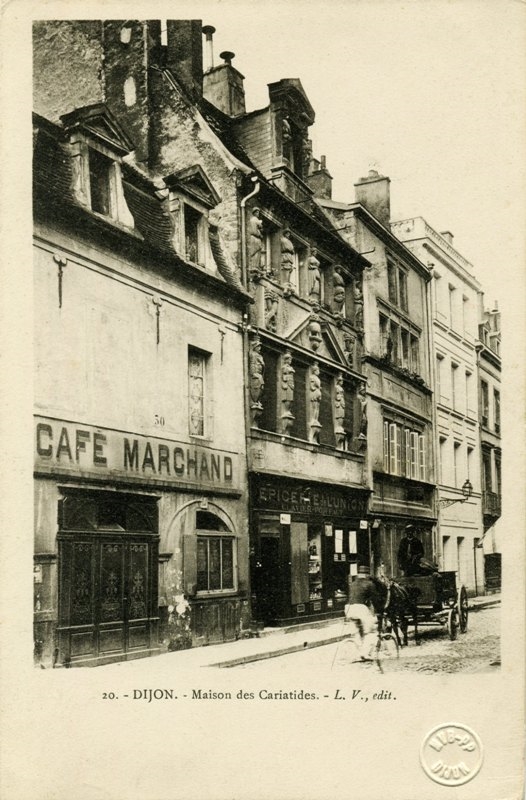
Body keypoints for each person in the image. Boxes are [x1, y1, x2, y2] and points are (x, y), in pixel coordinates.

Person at [344, 567, 380, 661]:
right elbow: (375, 599)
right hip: (361, 608)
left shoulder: (352, 584)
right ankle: (365, 654)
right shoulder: (369, 584)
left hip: (349, 608)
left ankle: (357, 653)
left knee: (356, 633)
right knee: (371, 631)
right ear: (367, 574)